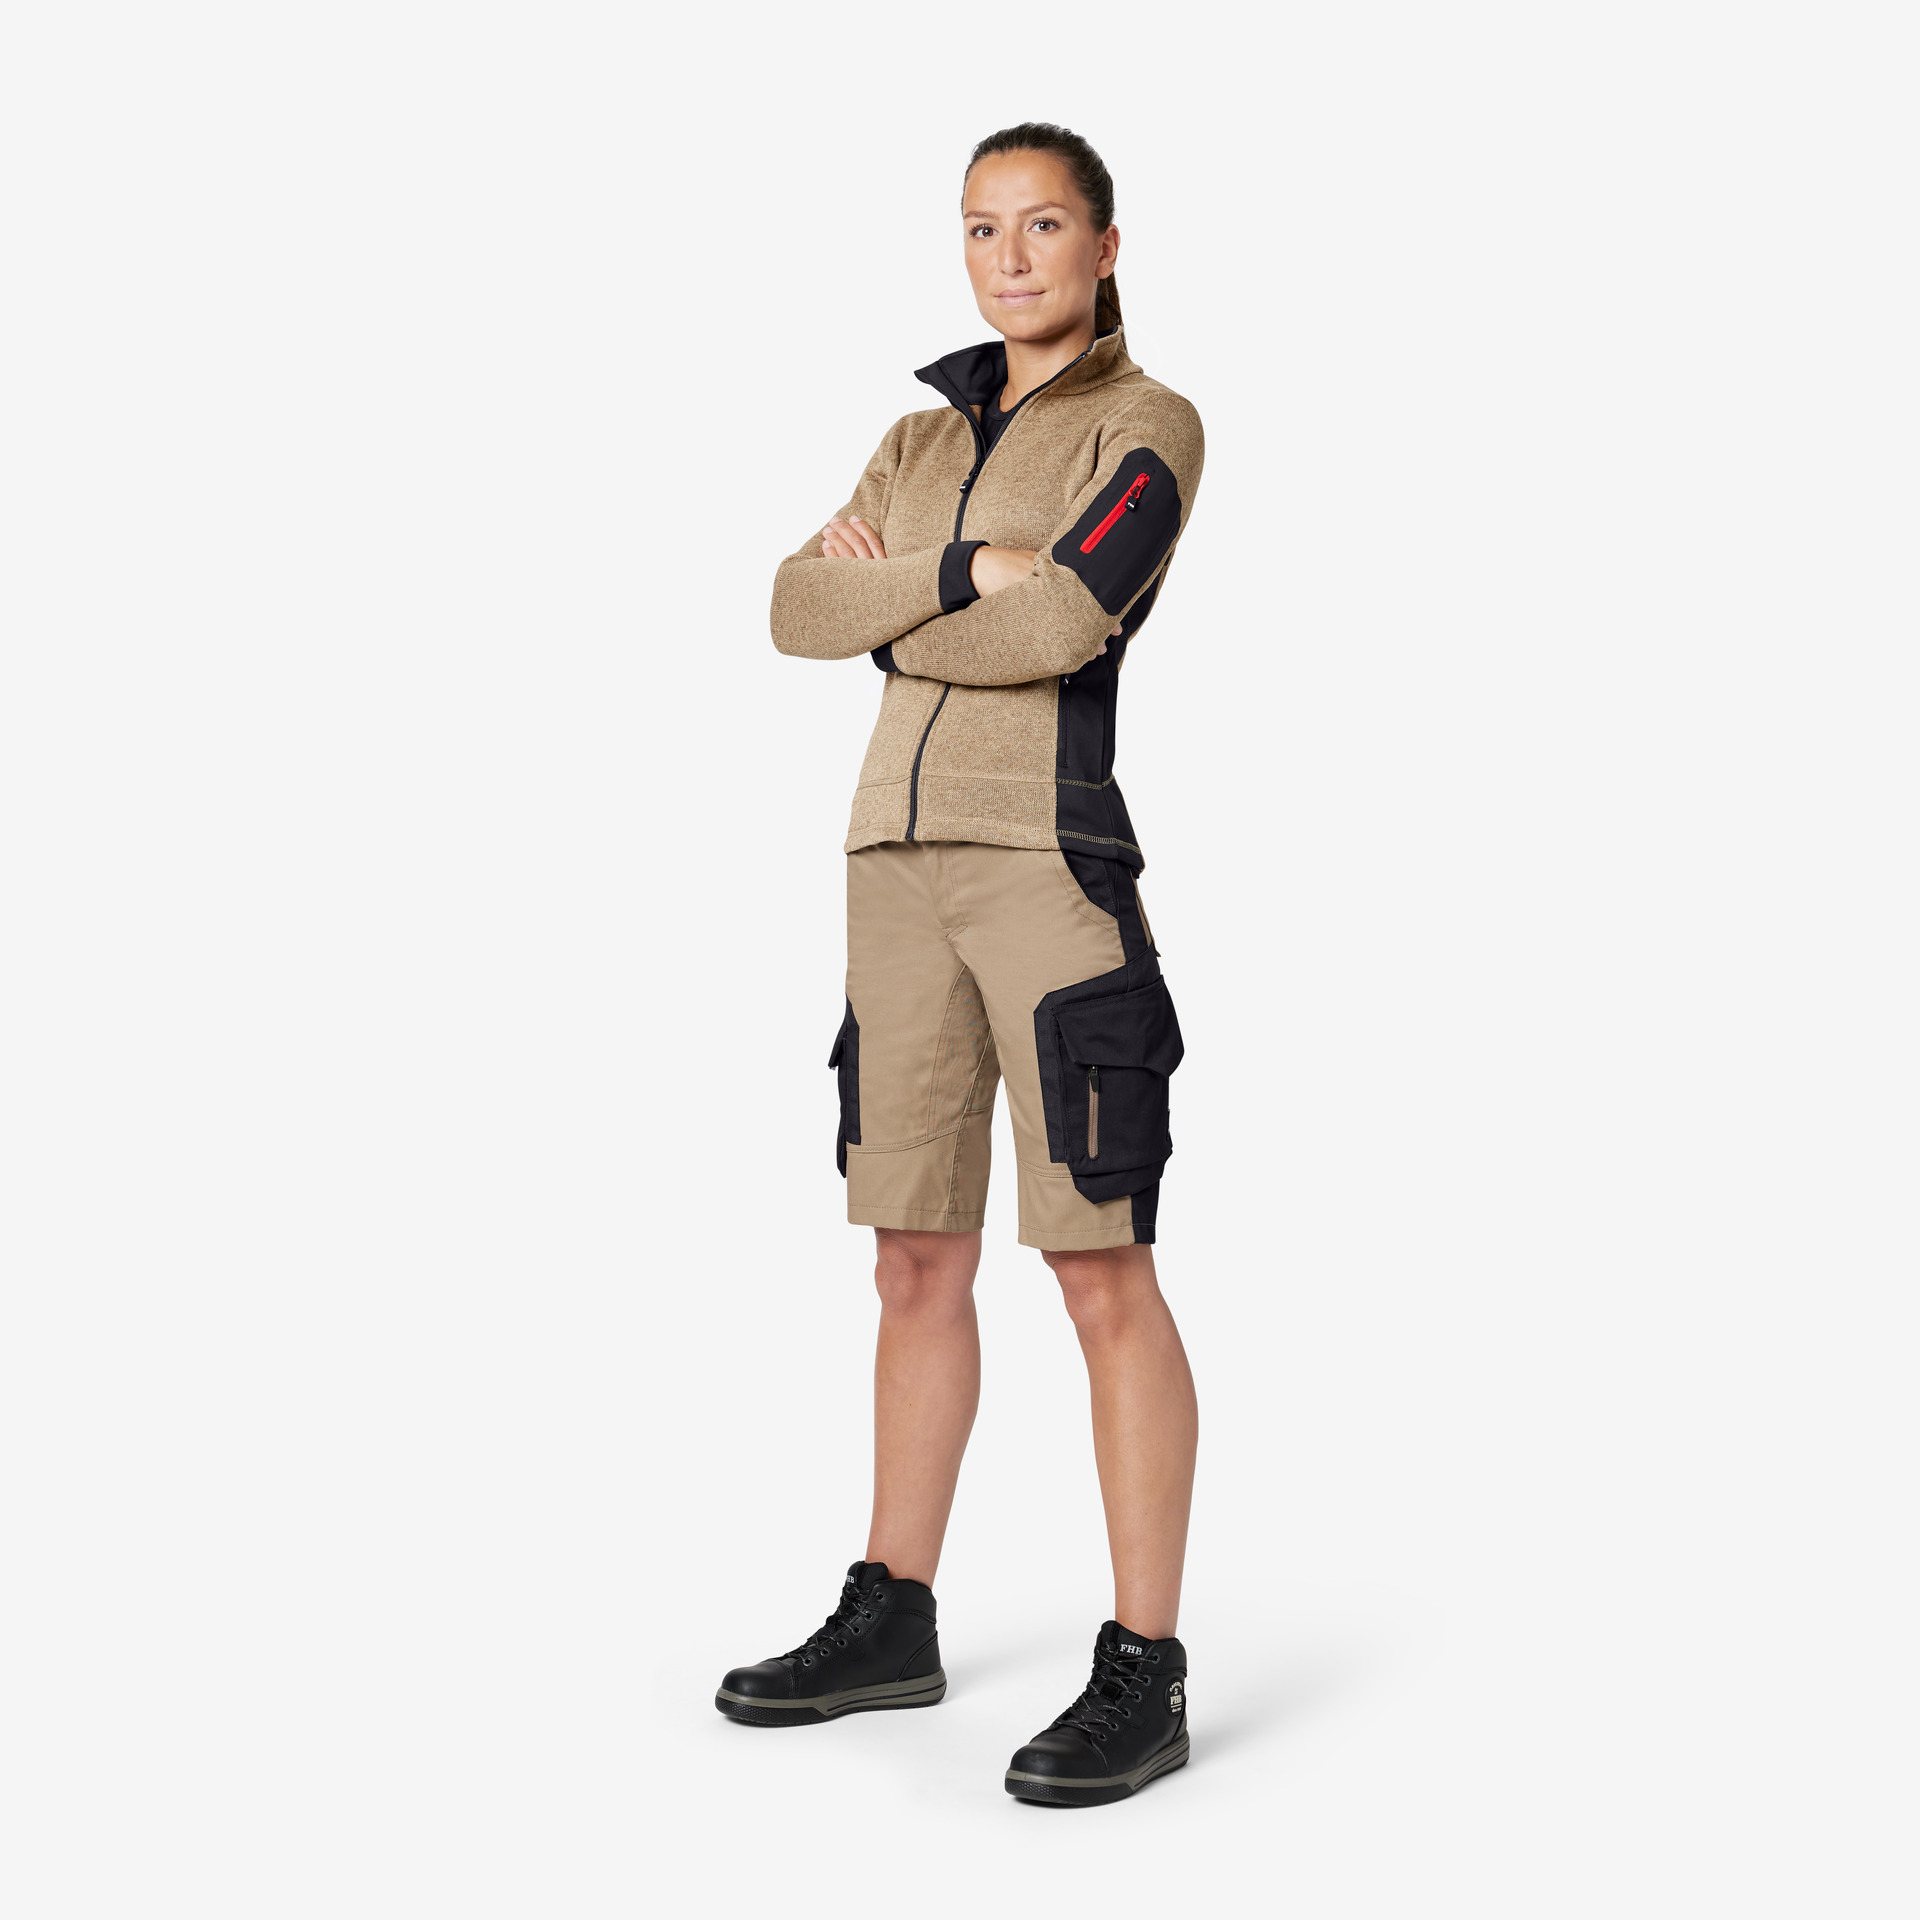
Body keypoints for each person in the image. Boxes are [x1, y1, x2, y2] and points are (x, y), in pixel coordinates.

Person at [715, 122, 1204, 1809]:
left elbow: (1065, 621)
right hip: (890, 867)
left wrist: (907, 609)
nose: (1010, 257)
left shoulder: (1147, 425)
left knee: (1098, 1268)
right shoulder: (917, 439)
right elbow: (792, 609)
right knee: (912, 1259)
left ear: (1105, 246)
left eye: (1043, 224)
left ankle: (1145, 1668)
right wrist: (956, 573)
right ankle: (892, 1614)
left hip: (1046, 864)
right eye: (983, 228)